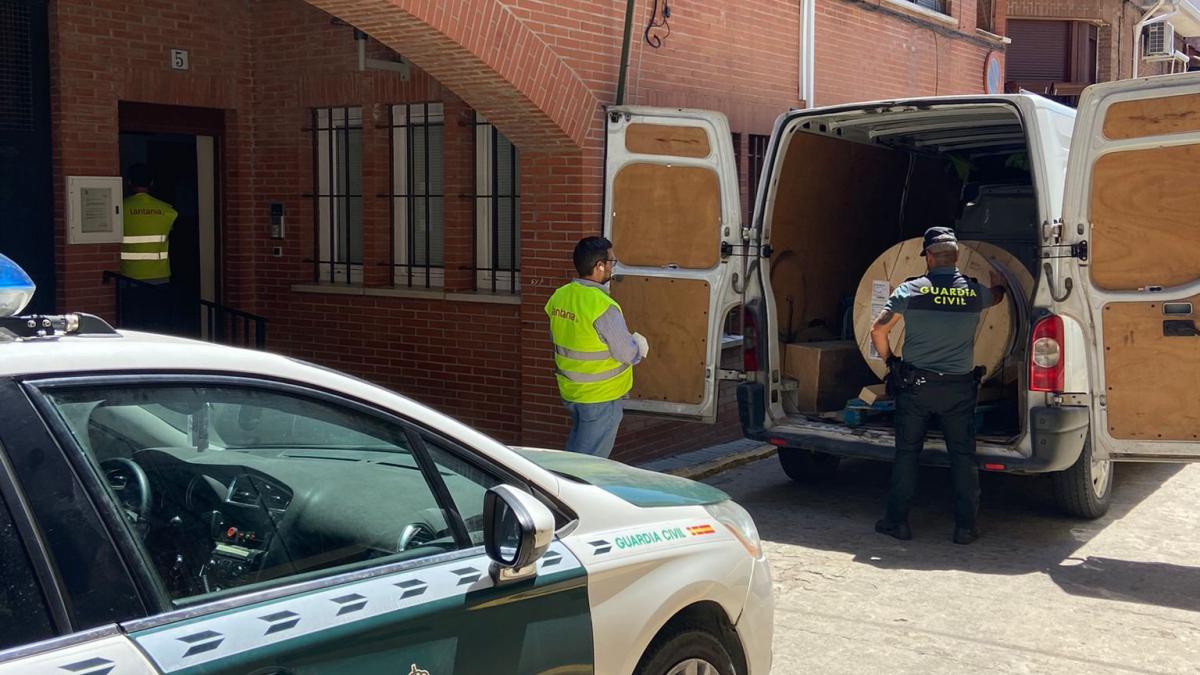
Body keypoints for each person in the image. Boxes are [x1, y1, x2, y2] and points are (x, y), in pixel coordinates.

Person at [870, 227, 1006, 545]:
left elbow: (878, 330)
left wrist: (892, 362)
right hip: (959, 389)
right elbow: (997, 297)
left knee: (907, 454)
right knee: (962, 456)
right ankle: (965, 528)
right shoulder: (975, 294)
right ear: (956, 257)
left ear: (929, 257)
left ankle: (897, 523)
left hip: (916, 386)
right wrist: (998, 282)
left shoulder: (911, 290)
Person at [545, 236, 649, 458]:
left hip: (572, 392)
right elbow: (625, 352)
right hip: (601, 397)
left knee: (576, 455)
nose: (613, 266)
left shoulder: (560, 296)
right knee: (588, 466)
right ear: (599, 266)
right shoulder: (602, 306)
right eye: (612, 261)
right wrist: (638, 346)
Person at [120, 164, 178, 332]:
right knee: (158, 327)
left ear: (129, 182)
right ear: (152, 183)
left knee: (132, 328)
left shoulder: (119, 208)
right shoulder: (167, 210)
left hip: (128, 278)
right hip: (159, 277)